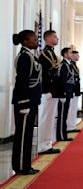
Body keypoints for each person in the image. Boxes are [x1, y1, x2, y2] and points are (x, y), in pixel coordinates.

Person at [11, 30, 42, 175]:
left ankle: (24, 165)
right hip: (25, 101)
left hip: (32, 100)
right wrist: (24, 103)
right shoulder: (25, 57)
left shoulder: (30, 56)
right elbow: (22, 81)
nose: (36, 41)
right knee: (23, 135)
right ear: (25, 42)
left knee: (27, 134)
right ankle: (22, 166)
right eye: (34, 39)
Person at [38, 30, 61, 154]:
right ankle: (42, 145)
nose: (57, 38)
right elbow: (46, 74)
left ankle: (47, 144)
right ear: (49, 38)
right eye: (55, 37)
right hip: (47, 90)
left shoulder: (51, 53)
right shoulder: (46, 54)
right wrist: (48, 90)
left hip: (53, 90)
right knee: (45, 118)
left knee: (50, 119)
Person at [56, 47, 75, 141]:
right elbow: (62, 81)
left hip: (68, 92)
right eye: (70, 53)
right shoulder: (64, 65)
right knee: (62, 115)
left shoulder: (69, 64)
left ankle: (63, 134)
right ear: (65, 54)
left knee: (65, 115)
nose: (72, 54)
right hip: (64, 93)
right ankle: (61, 136)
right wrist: (63, 93)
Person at [66, 50, 81, 133]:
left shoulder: (74, 65)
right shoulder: (70, 65)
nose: (78, 57)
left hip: (76, 89)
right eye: (77, 55)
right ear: (73, 56)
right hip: (73, 89)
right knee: (71, 108)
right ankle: (69, 126)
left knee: (74, 108)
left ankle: (72, 125)